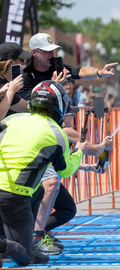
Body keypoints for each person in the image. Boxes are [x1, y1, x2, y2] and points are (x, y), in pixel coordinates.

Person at [18, 33, 117, 255]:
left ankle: (33, 232)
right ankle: (33, 235)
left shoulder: (58, 65)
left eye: (53, 49)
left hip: (53, 136)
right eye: (47, 50)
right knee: (51, 183)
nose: (52, 54)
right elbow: (32, 105)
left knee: (67, 207)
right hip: (33, 139)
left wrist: (100, 72)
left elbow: (80, 71)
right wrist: (54, 85)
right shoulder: (25, 78)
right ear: (34, 53)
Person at [0, 80, 86, 267]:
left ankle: (28, 239)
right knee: (23, 258)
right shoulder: (56, 133)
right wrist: (79, 150)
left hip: (5, 190)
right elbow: (67, 169)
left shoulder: (10, 120)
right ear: (59, 106)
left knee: (39, 190)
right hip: (14, 195)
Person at [0, 42, 32, 119]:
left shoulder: (5, 86)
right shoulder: (8, 88)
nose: (24, 64)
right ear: (11, 62)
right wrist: (11, 91)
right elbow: (29, 108)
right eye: (21, 60)